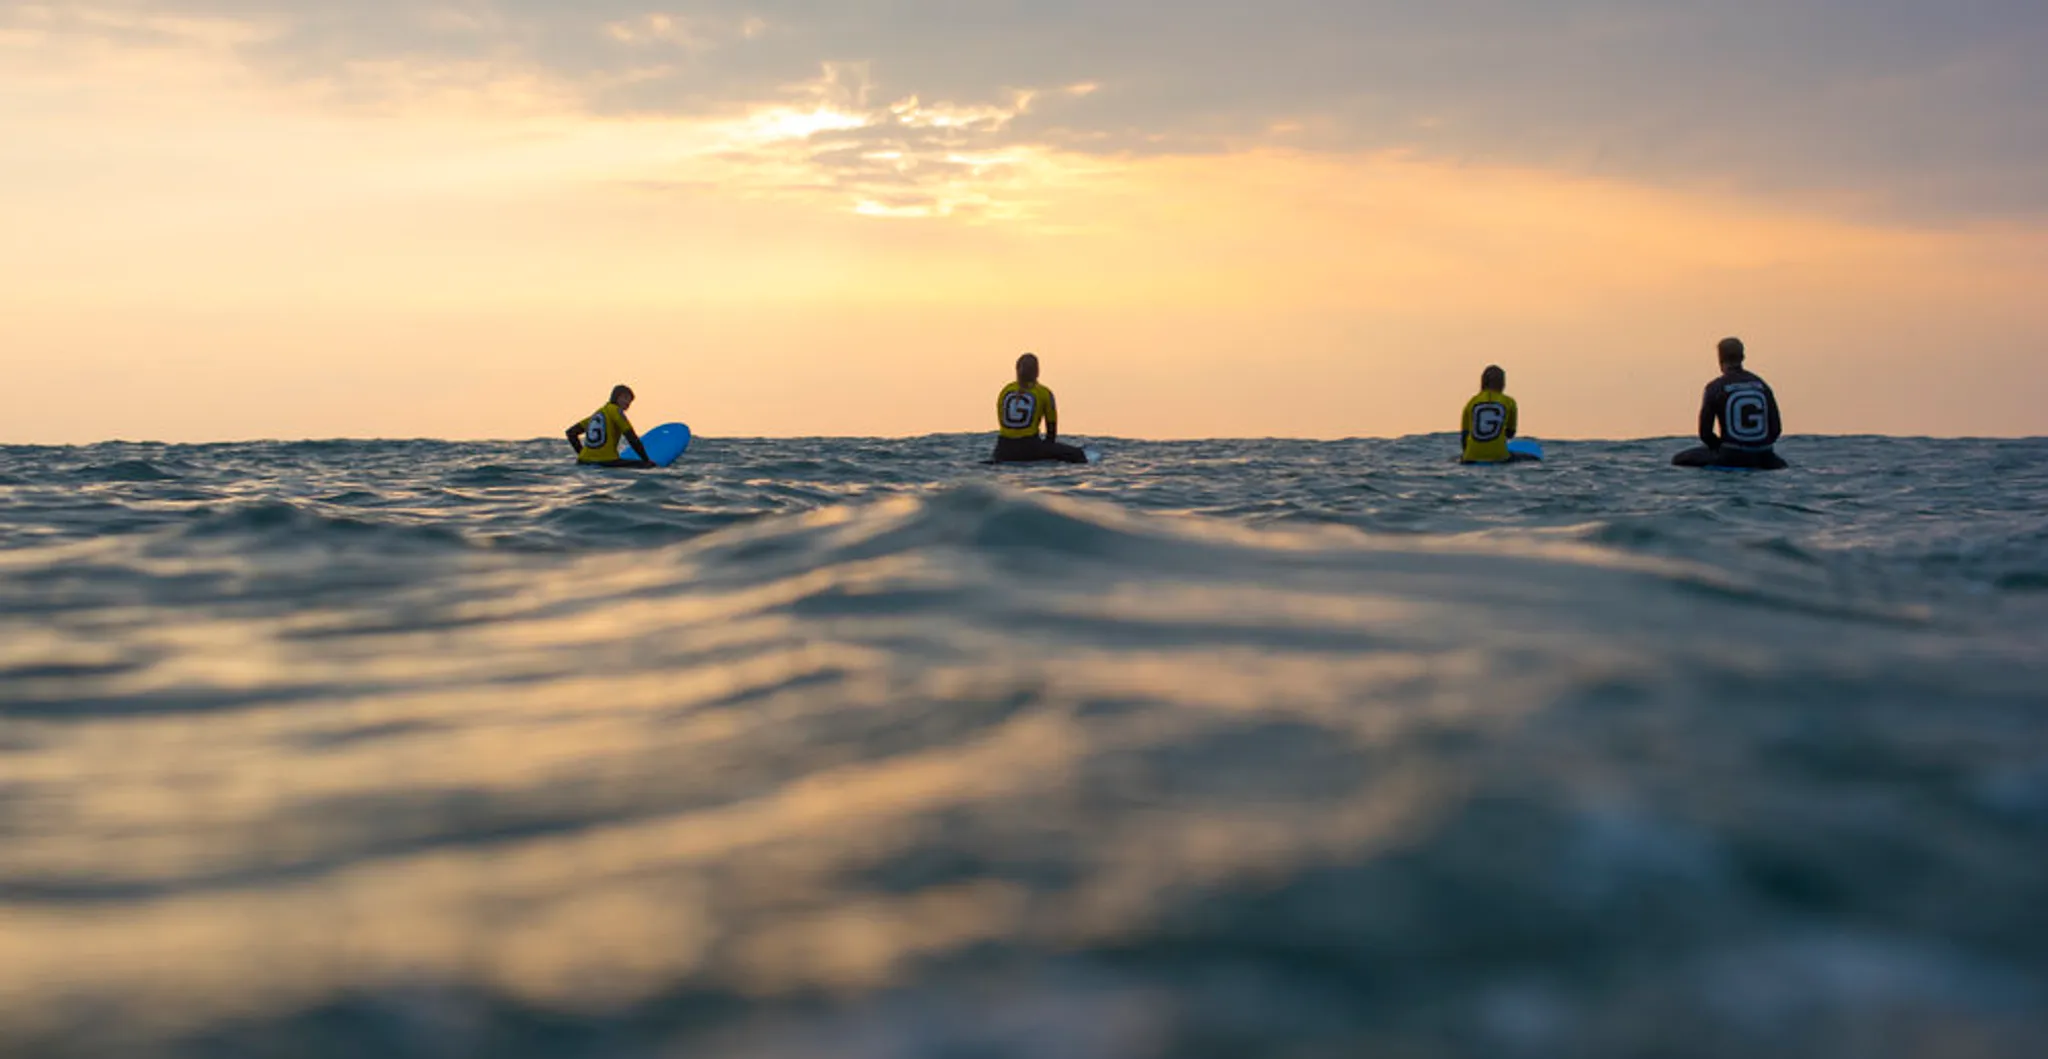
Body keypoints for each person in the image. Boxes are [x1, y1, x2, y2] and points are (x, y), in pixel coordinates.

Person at [1672, 338, 1787, 470]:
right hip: (1765, 456)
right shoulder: (1762, 385)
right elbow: (1776, 429)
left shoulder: (1714, 388)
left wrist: (1721, 448)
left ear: (1720, 358)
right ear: (1743, 357)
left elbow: (1705, 434)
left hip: (1732, 456)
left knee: (1678, 459)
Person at [992, 353, 1089, 464]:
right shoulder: (1044, 392)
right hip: (1030, 448)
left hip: (1002, 450)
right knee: (1078, 454)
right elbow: (1051, 431)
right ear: (1037, 372)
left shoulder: (1005, 391)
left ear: (1017, 369)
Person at [565, 384, 653, 467]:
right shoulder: (616, 411)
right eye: (625, 398)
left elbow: (571, 433)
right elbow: (632, 438)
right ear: (616, 397)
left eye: (630, 400)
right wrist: (646, 461)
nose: (628, 402)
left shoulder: (598, 414)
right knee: (648, 467)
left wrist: (583, 455)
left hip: (583, 462)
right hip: (607, 462)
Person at [1459, 365, 1521, 464]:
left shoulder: (1471, 402)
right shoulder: (1509, 402)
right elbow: (1510, 433)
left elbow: (1464, 436)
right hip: (1499, 457)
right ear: (1502, 383)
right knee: (1529, 459)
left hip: (1470, 457)